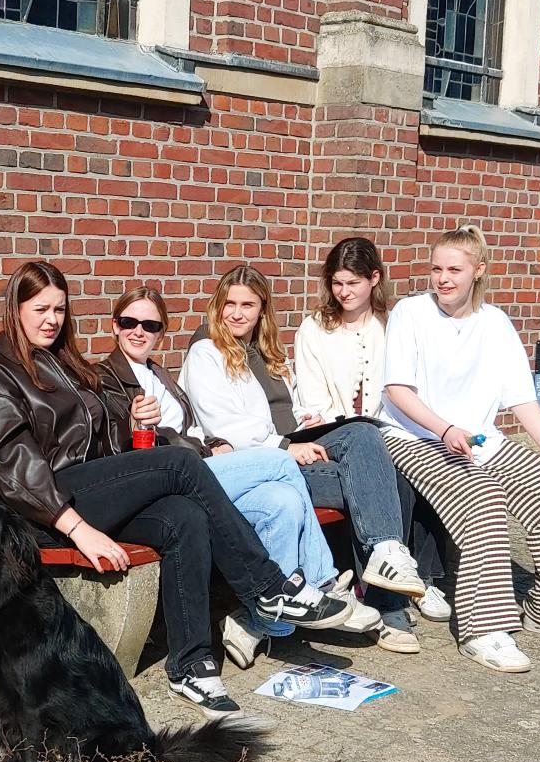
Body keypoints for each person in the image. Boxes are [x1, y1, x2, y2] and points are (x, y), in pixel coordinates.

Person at [0, 262, 358, 716]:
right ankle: (269, 585)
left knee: (182, 517)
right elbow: (16, 472)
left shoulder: (61, 362)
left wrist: (129, 423)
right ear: (16, 309)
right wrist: (78, 530)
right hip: (42, 511)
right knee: (180, 462)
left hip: (86, 490)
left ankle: (191, 664)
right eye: (40, 309)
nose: (51, 319)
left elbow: (95, 435)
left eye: (59, 309)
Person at [99, 284, 381, 670]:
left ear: (162, 331)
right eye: (130, 322)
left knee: (281, 501)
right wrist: (131, 424)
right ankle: (319, 582)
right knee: (281, 463)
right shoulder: (104, 378)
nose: (139, 331)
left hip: (200, 466)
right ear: (114, 325)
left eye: (151, 325)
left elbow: (194, 427)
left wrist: (215, 442)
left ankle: (266, 620)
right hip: (167, 481)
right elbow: (109, 443)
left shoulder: (159, 376)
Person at [381, 226, 540, 674]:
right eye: (436, 269)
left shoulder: (495, 322)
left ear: (478, 272)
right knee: (482, 500)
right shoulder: (410, 313)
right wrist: (444, 430)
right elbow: (397, 390)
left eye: (454, 270)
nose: (443, 279)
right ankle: (484, 631)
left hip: (480, 440)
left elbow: (521, 397)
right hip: (415, 438)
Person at [180, 264, 427, 652]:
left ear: (262, 310)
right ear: (217, 305)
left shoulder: (265, 352)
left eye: (249, 304)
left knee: (365, 434)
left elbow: (285, 407)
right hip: (257, 464)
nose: (238, 313)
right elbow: (223, 423)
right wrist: (284, 446)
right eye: (230, 303)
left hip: (290, 446)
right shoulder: (206, 350)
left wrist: (306, 420)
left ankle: (383, 561)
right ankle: (361, 591)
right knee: (379, 483)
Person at [293, 236, 454, 632]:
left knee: (420, 460)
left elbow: (406, 387)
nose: (344, 292)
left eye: (353, 283)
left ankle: (418, 579)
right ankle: (390, 597)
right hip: (331, 432)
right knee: (376, 451)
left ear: (374, 279)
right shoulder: (314, 328)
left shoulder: (394, 324)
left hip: (389, 430)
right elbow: (311, 401)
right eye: (337, 283)